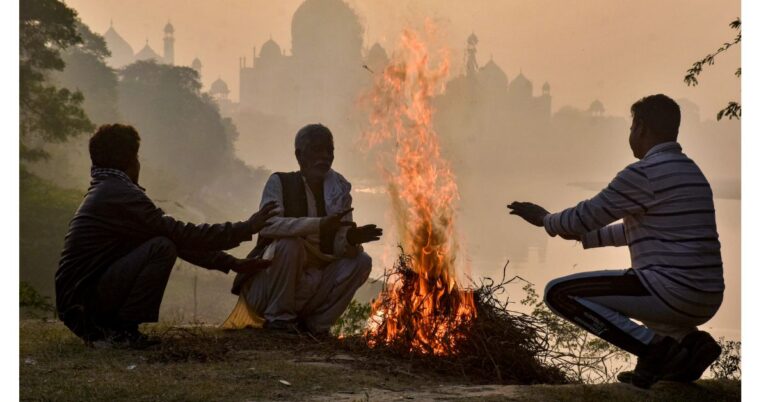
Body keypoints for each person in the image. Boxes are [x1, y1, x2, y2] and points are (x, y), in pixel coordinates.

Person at [507, 94, 724, 389]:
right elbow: (635, 231)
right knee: (638, 291)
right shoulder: (691, 172)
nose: (631, 135)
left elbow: (582, 217)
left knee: (558, 293)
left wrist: (546, 220)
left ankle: (655, 350)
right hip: (705, 296)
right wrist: (583, 237)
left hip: (672, 291)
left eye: (632, 127)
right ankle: (691, 343)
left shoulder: (644, 173)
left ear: (642, 128)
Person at [55, 123, 279, 348]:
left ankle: (116, 331)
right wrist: (246, 227)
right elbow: (179, 234)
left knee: (163, 242)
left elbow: (178, 239)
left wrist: (230, 262)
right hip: (83, 306)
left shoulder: (107, 190)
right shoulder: (120, 194)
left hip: (78, 303)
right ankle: (122, 333)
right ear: (131, 161)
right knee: (161, 247)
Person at [226, 124, 382, 336]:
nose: (325, 157)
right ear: (300, 155)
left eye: (330, 151)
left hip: (312, 285)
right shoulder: (279, 182)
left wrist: (351, 239)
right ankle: (279, 320)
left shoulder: (339, 192)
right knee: (290, 244)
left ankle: (316, 327)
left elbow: (339, 248)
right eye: (318, 150)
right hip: (268, 288)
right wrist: (318, 224)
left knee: (361, 261)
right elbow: (269, 226)